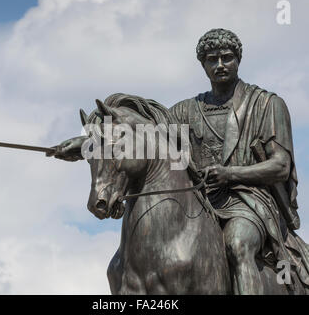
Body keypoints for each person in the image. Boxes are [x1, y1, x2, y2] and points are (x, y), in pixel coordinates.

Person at [48, 28, 309, 294]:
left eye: (226, 57)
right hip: (199, 200)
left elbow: (280, 166)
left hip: (247, 201)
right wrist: (83, 145)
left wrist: (231, 174)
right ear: (203, 65)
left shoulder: (266, 104)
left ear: (238, 60)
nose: (219, 65)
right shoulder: (185, 111)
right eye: (211, 59)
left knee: (238, 244)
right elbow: (136, 136)